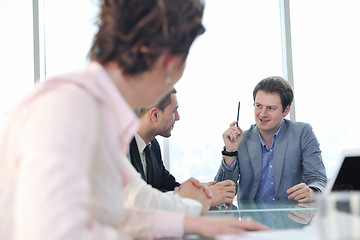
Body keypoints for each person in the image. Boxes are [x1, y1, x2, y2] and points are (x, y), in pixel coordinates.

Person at [0, 0, 268, 239]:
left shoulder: (97, 109)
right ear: (170, 61)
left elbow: (134, 201)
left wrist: (191, 221)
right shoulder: (70, 107)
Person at [215, 76, 327, 203]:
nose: (262, 114)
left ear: (286, 110)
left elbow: (319, 180)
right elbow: (222, 193)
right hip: (251, 220)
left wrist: (312, 192)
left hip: (292, 219)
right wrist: (230, 152)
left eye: (271, 108)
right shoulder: (241, 139)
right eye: (258, 106)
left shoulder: (302, 133)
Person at [130, 88, 236, 207]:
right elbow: (142, 199)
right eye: (174, 111)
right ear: (155, 115)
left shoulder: (153, 146)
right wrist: (200, 197)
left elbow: (168, 185)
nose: (178, 117)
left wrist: (202, 190)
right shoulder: (122, 150)